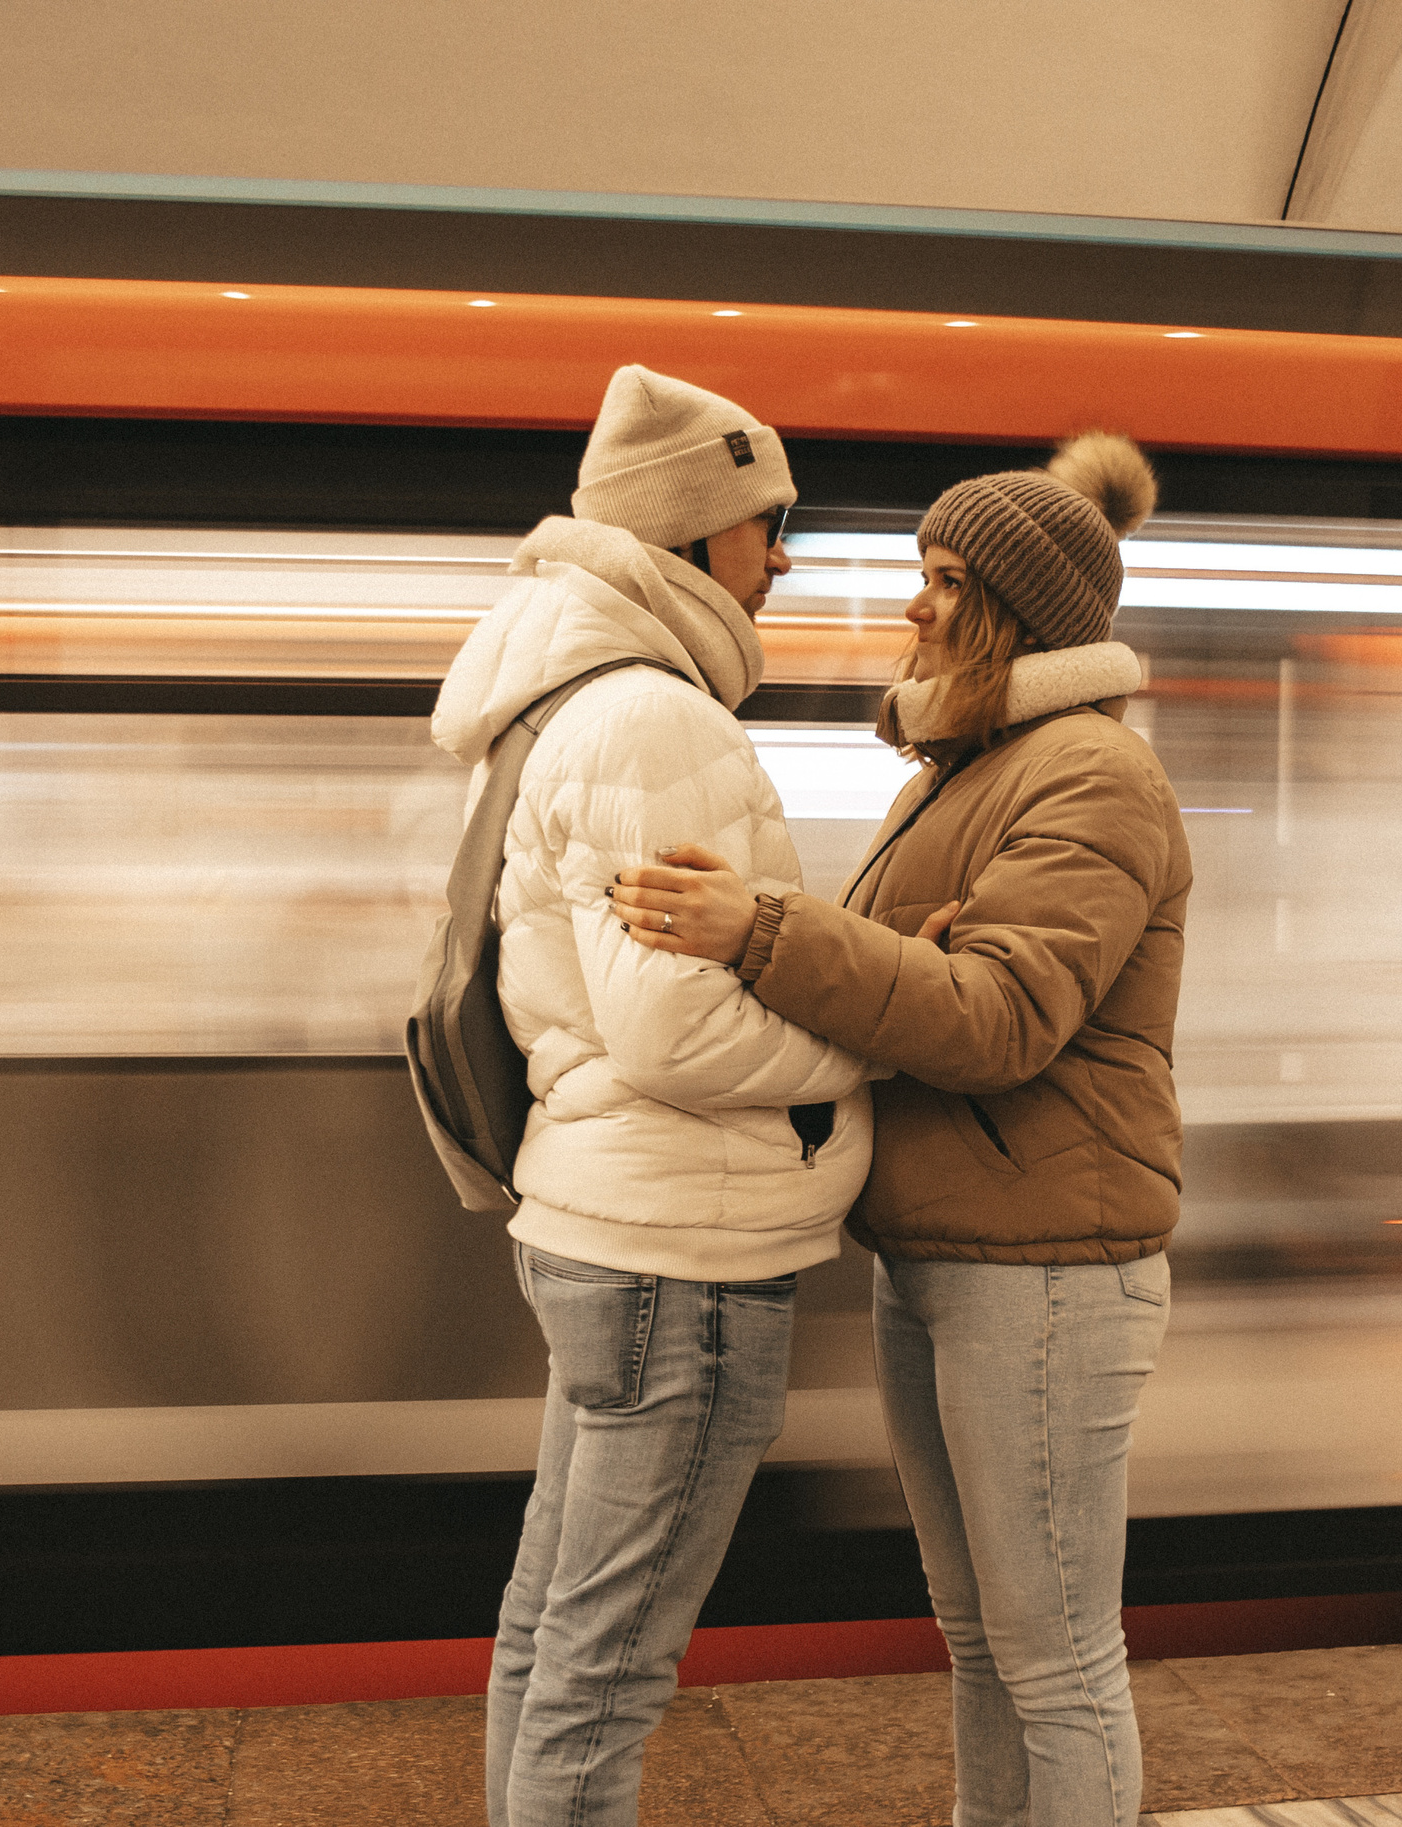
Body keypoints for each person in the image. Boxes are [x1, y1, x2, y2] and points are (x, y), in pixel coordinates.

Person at [605, 433, 1191, 1827]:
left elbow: (994, 1019)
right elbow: (919, 985)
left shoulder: (1089, 777)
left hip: (1048, 1271)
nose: (912, 607)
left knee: (1055, 1659)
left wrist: (772, 932)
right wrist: (894, 956)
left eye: (941, 579)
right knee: (985, 1638)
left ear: (1013, 606)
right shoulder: (970, 769)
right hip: (945, 1252)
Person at [433, 364, 875, 1827]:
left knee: (552, 1639)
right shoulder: (651, 719)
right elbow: (677, 1033)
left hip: (608, 1226)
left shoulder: (567, 699)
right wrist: (863, 1044)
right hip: (680, 1254)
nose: (786, 558)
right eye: (767, 524)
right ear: (694, 538)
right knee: (603, 1674)